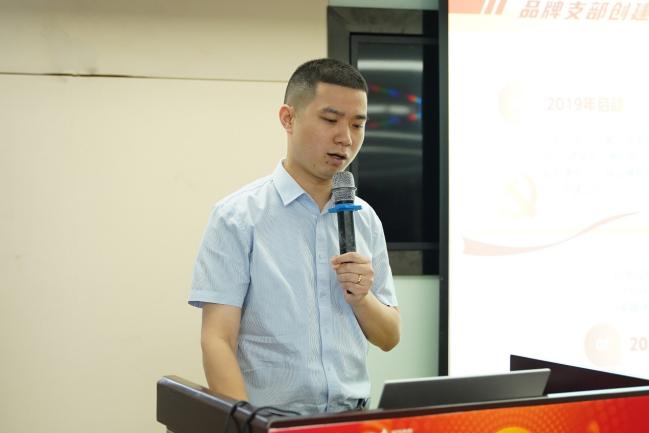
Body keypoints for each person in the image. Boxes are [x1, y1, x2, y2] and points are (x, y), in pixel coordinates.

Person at [189, 58, 400, 415]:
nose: (346, 138)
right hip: (273, 420)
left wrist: (363, 298)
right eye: (330, 120)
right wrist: (248, 425)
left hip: (353, 417)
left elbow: (389, 337)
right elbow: (217, 340)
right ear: (288, 118)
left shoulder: (364, 219)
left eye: (357, 124)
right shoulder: (237, 217)